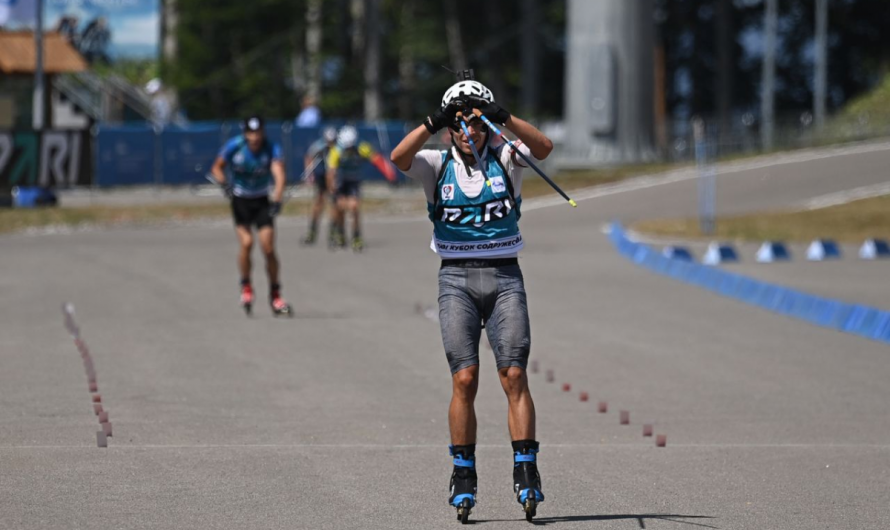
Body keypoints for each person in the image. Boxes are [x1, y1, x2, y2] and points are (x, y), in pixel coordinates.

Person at [390, 74, 553, 522]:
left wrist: (502, 117)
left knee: (514, 375)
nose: (468, 132)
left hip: (505, 278)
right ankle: (463, 474)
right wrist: (432, 121)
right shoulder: (434, 163)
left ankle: (526, 467)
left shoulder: (505, 155)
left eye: (476, 123)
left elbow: (543, 149)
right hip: (456, 281)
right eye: (459, 124)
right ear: (449, 128)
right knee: (465, 381)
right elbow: (397, 158)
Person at [211, 116, 293, 317]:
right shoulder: (235, 146)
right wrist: (224, 184)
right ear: (245, 132)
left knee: (268, 247)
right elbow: (216, 168)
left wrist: (278, 199)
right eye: (250, 133)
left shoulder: (271, 148)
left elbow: (279, 174)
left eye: (258, 133)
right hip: (241, 200)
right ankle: (246, 285)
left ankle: (275, 294)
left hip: (262, 200)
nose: (254, 137)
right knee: (247, 243)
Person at [324, 125, 395, 251]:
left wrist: (389, 174)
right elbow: (331, 171)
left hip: (353, 182)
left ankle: (356, 236)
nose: (349, 150)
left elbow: (377, 159)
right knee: (339, 208)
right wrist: (331, 188)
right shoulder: (336, 151)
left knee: (354, 207)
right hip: (340, 182)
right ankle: (340, 232)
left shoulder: (362, 148)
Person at [301, 126, 337, 245]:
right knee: (318, 203)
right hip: (322, 176)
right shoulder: (319, 146)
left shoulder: (338, 147)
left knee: (334, 204)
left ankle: (333, 232)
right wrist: (309, 173)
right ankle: (312, 231)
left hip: (333, 176)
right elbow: (309, 157)